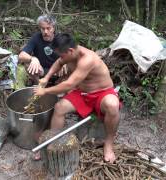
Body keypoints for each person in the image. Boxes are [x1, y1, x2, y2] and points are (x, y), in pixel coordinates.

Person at [34, 33, 120, 163]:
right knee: (59, 107)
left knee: (112, 105)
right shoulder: (69, 54)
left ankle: (108, 143)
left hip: (101, 93)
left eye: (62, 55)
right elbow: (59, 62)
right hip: (82, 92)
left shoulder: (87, 59)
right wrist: (46, 77)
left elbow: (69, 84)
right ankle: (54, 141)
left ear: (70, 51)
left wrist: (44, 91)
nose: (60, 58)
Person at [18, 14, 66, 85]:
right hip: (41, 70)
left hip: (57, 71)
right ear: (40, 28)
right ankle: (38, 84)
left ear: (53, 28)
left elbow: (72, 54)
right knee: (27, 63)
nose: (45, 32)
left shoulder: (60, 38)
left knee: (71, 64)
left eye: (48, 28)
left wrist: (65, 62)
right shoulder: (36, 37)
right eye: (43, 29)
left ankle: (59, 83)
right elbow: (21, 55)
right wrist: (33, 59)